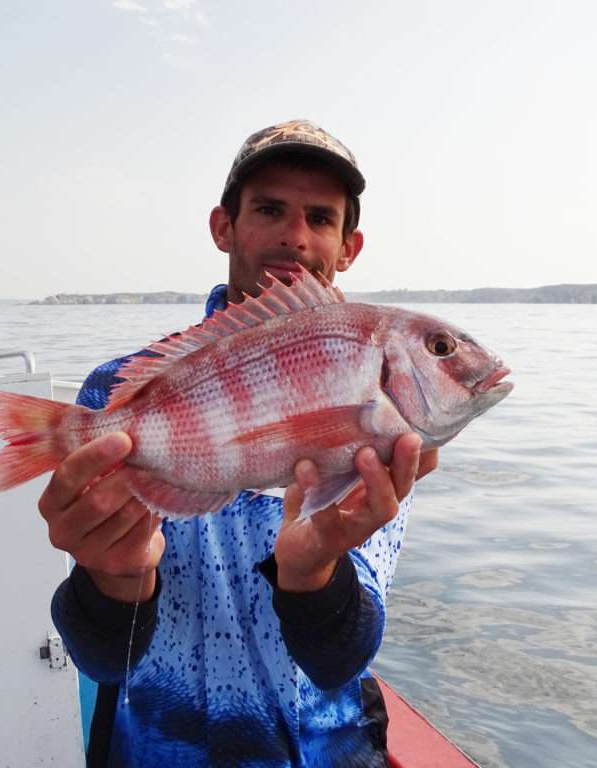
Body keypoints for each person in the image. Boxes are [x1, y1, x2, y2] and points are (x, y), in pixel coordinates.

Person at [45, 119, 439, 767]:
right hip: (155, 748)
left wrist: (312, 574)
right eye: (270, 209)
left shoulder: (385, 411)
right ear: (223, 226)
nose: (295, 236)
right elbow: (99, 659)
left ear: (349, 247)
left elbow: (340, 657)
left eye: (320, 217)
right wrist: (115, 575)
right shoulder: (119, 392)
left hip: (326, 750)